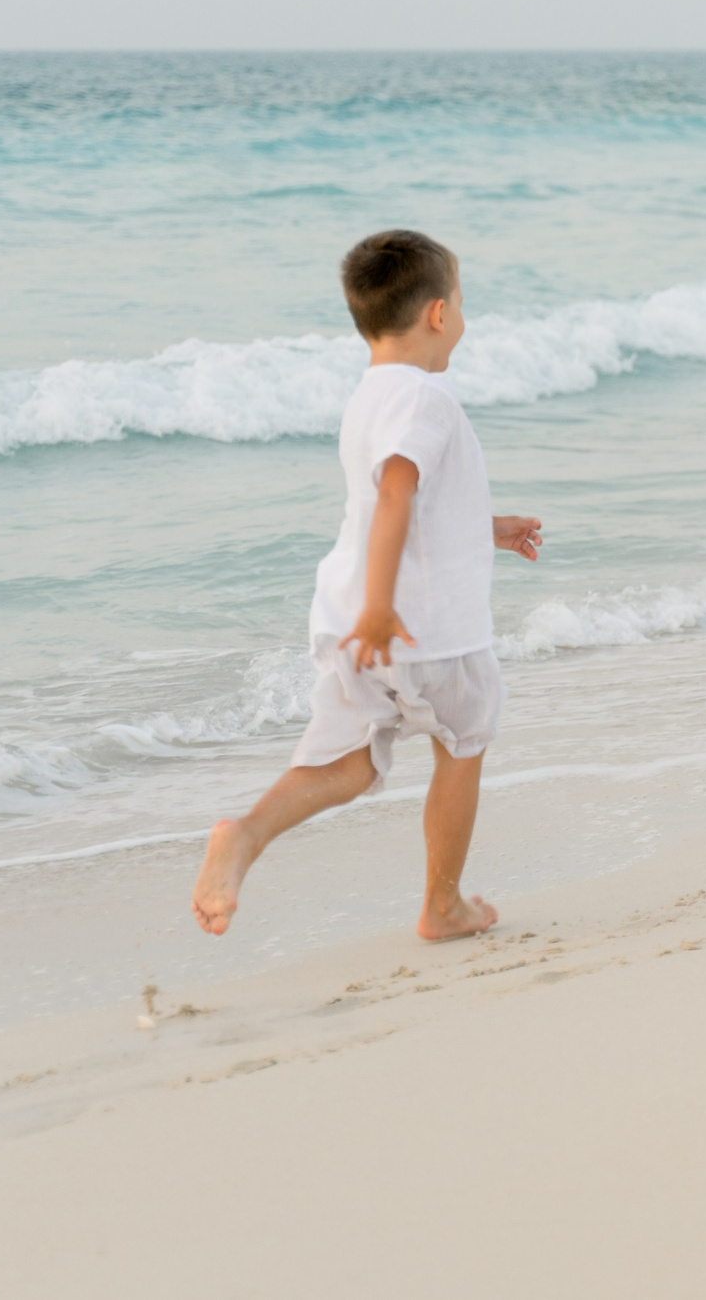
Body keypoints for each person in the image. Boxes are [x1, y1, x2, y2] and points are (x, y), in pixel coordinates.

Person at [191, 229, 542, 938]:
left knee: (348, 765)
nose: (464, 322)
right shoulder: (426, 398)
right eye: (463, 305)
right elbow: (396, 495)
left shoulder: (370, 395)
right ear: (438, 314)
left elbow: (414, 503)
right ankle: (443, 903)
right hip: (419, 623)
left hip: (349, 614)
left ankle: (245, 836)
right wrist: (385, 605)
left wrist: (485, 527)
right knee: (465, 740)